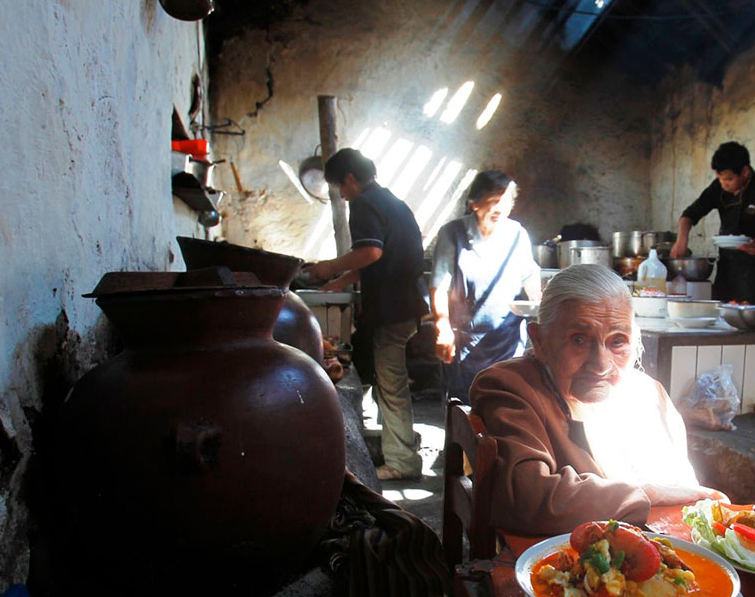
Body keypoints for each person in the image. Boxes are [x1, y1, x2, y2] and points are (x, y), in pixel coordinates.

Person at [470, 264, 726, 535]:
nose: (601, 365)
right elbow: (527, 498)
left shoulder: (649, 395)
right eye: (579, 340)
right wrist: (645, 492)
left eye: (617, 341)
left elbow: (685, 492)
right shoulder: (509, 387)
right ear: (541, 341)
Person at [304, 148, 426, 481]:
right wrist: (338, 283)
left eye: (340, 188)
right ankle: (398, 450)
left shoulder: (364, 203)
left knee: (391, 386)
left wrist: (328, 267)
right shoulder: (391, 202)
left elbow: (370, 252)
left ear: (350, 179)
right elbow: (373, 260)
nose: (342, 195)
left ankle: (402, 461)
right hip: (404, 305)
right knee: (388, 382)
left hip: (392, 309)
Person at [430, 170, 542, 401]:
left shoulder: (516, 234)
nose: (500, 210)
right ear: (474, 203)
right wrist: (442, 327)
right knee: (465, 408)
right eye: (494, 202)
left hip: (508, 339)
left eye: (506, 203)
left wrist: (540, 307)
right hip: (465, 342)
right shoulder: (453, 234)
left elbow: (528, 276)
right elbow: (439, 284)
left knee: (506, 404)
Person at [670, 141, 755, 304]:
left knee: (748, 323)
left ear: (745, 172)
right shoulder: (719, 187)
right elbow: (689, 215)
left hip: (753, 274)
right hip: (725, 269)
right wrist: (681, 240)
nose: (724, 184)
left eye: (729, 179)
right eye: (720, 179)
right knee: (720, 321)